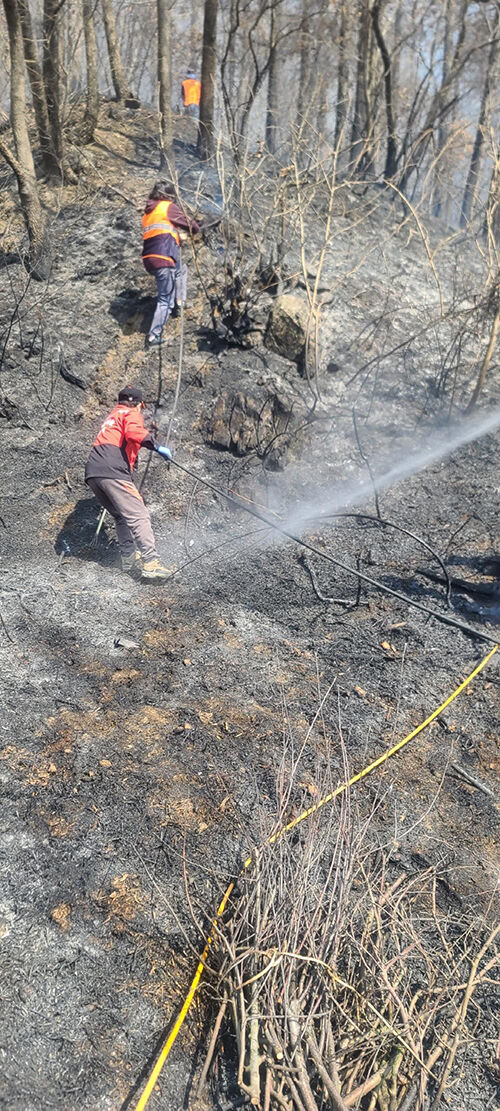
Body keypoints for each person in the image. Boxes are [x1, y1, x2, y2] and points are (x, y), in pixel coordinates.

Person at [85, 385, 174, 581]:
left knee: (120, 515)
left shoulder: (112, 416)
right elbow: (134, 433)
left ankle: (128, 557)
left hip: (94, 473)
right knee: (139, 514)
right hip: (112, 471)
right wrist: (157, 446)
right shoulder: (131, 413)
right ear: (140, 404)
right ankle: (151, 562)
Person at [142, 180, 200, 348]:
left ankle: (180, 301)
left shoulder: (148, 212)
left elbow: (161, 232)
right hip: (164, 257)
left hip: (149, 258)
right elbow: (193, 227)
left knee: (181, 268)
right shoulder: (167, 206)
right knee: (164, 300)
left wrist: (175, 234)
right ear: (169, 195)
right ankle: (153, 337)